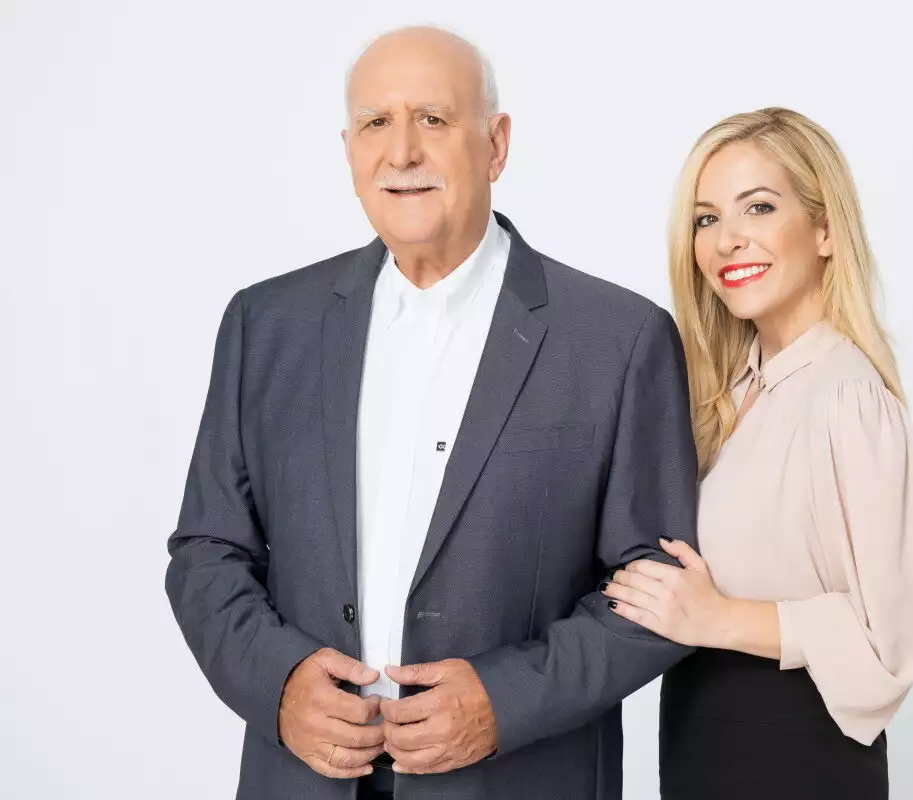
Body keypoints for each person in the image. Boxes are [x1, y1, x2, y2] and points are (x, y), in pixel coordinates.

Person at [164, 26, 698, 800]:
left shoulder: (617, 339)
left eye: (434, 119)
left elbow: (659, 588)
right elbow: (206, 550)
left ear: (496, 145)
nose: (402, 151)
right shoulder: (266, 325)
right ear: (348, 150)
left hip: (515, 780)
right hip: (305, 779)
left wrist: (505, 701)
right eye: (376, 122)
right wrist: (277, 686)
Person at [601, 107, 913, 799]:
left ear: (824, 229)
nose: (727, 239)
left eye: (758, 207)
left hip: (795, 755)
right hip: (701, 741)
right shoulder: (727, 397)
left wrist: (718, 616)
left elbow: (889, 644)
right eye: (706, 218)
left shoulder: (846, 396)